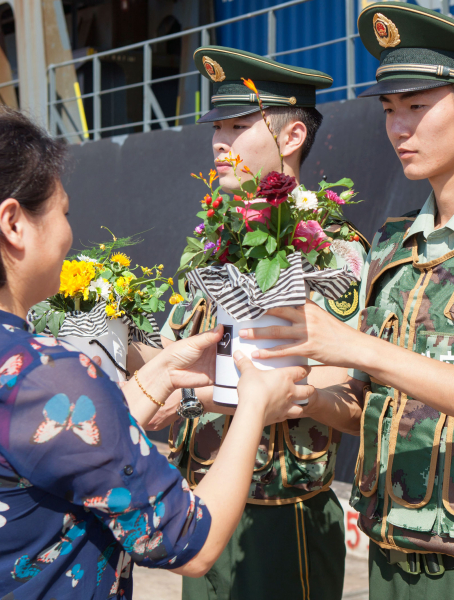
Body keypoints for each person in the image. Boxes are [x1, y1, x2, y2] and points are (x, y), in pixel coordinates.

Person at [0, 111, 312, 600]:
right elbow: (192, 544)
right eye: (62, 212)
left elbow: (30, 451)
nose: (68, 233)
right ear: (13, 223)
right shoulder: (41, 373)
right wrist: (254, 405)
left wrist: (160, 376)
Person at [242, 3, 454, 598]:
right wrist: (288, 391)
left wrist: (360, 348)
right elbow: (362, 409)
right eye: (388, 109)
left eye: (417, 107)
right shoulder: (393, 246)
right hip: (388, 563)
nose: (398, 128)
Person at [144, 46, 369, 600]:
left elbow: (348, 396)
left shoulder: (330, 251)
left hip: (281, 519)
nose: (220, 141)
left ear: (292, 138)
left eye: (240, 125)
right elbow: (181, 355)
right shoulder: (213, 240)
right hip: (202, 502)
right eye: (217, 126)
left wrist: (222, 395)